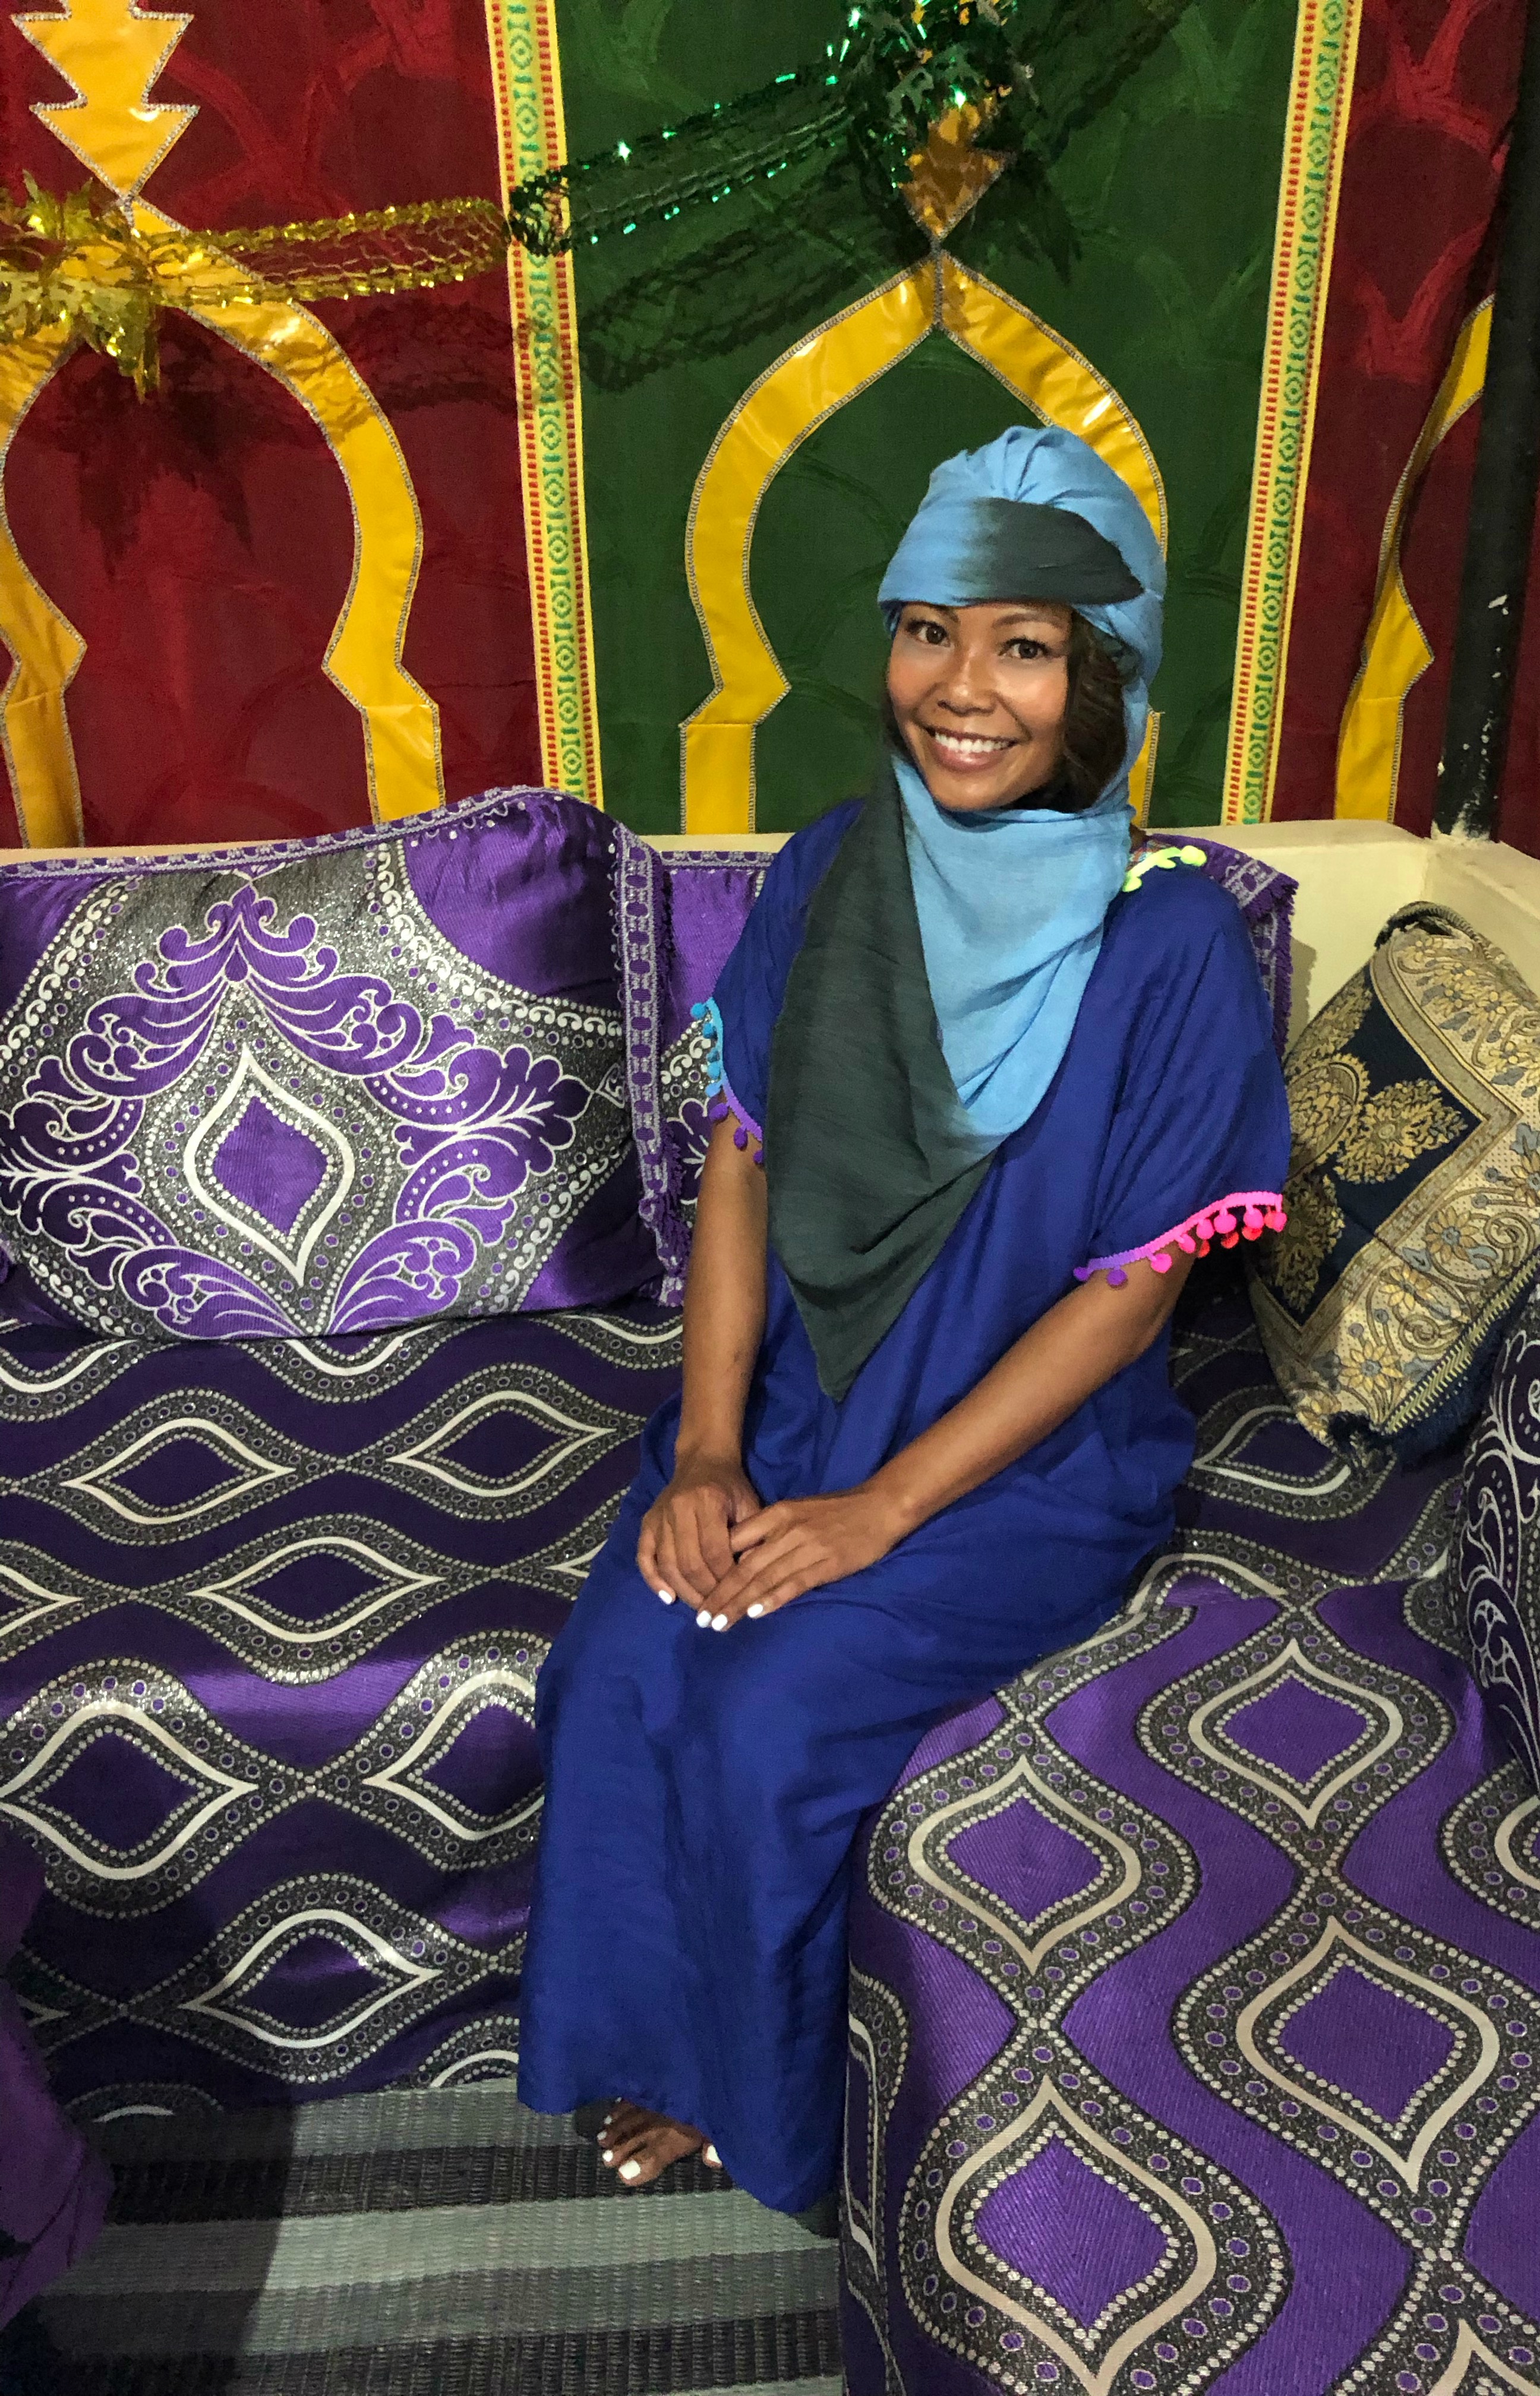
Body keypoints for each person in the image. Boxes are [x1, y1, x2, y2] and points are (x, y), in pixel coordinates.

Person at [518, 425, 1290, 2215]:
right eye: (929, 630)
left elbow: (1130, 1304)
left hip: (1021, 1467)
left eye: (1025, 645)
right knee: (621, 1664)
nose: (962, 688)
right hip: (799, 1407)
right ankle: (665, 2053)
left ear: (1105, 675)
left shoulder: (1169, 943)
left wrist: (878, 1513)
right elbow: (743, 1167)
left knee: (769, 1717)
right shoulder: (830, 868)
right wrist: (711, 1450)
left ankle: (764, 2111)